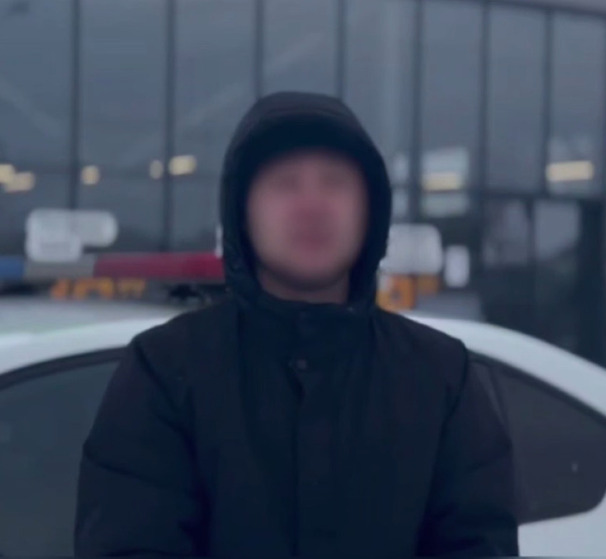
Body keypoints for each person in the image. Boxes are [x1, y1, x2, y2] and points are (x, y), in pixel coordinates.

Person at [74, 92, 519, 558]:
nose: (312, 204)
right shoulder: (166, 370)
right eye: (285, 184)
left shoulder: (440, 376)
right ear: (243, 212)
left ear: (371, 211)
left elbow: (478, 543)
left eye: (335, 183)